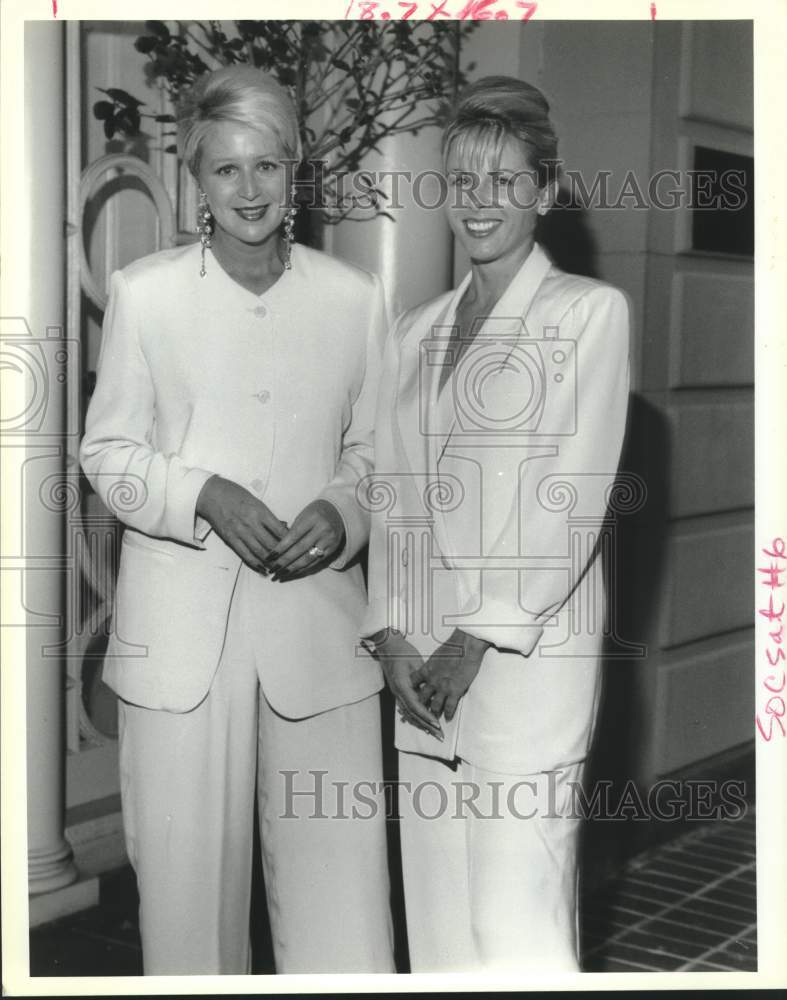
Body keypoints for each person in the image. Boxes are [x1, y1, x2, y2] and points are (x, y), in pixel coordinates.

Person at [80, 65, 394, 975]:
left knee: (344, 907)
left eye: (266, 165)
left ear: (294, 168)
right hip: (180, 648)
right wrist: (202, 494)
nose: (248, 190)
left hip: (320, 637)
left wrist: (343, 513)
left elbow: (381, 456)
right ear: (195, 178)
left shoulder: (353, 297)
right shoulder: (146, 293)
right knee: (185, 911)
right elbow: (106, 454)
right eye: (226, 169)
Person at [361, 76, 631, 971]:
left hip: (519, 668)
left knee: (518, 936)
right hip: (421, 680)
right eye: (462, 181)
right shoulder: (415, 330)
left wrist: (471, 641)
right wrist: (393, 634)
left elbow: (574, 499)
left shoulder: (586, 315)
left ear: (544, 192)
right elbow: (394, 494)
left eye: (504, 181)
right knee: (437, 937)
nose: (479, 202)